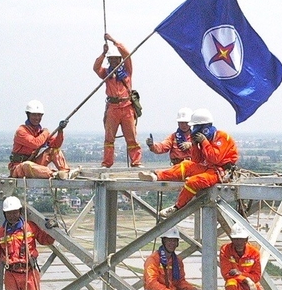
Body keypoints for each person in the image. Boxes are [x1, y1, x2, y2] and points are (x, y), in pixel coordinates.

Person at [139, 108, 238, 219]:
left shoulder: (221, 137)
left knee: (193, 182)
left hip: (220, 172)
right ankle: (156, 176)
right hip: (207, 167)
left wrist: (203, 142)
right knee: (186, 165)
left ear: (204, 128)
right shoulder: (175, 137)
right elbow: (196, 161)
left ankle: (177, 207)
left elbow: (214, 158)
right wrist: (195, 145)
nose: (185, 126)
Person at [94, 34, 142, 168]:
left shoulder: (127, 71)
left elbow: (127, 53)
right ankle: (107, 163)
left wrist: (113, 41)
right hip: (112, 107)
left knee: (131, 137)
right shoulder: (106, 73)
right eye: (112, 59)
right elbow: (95, 68)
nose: (114, 61)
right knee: (109, 138)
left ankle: (136, 162)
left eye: (116, 58)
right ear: (109, 60)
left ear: (120, 59)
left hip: (127, 107)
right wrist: (103, 54)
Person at [9, 100, 76, 179]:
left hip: (34, 163)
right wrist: (46, 132)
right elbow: (35, 143)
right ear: (28, 115)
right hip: (19, 168)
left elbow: (56, 145)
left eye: (39, 115)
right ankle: (54, 174)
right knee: (27, 165)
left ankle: (65, 172)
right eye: (34, 115)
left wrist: (60, 131)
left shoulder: (40, 132)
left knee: (53, 150)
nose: (37, 118)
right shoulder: (21, 131)